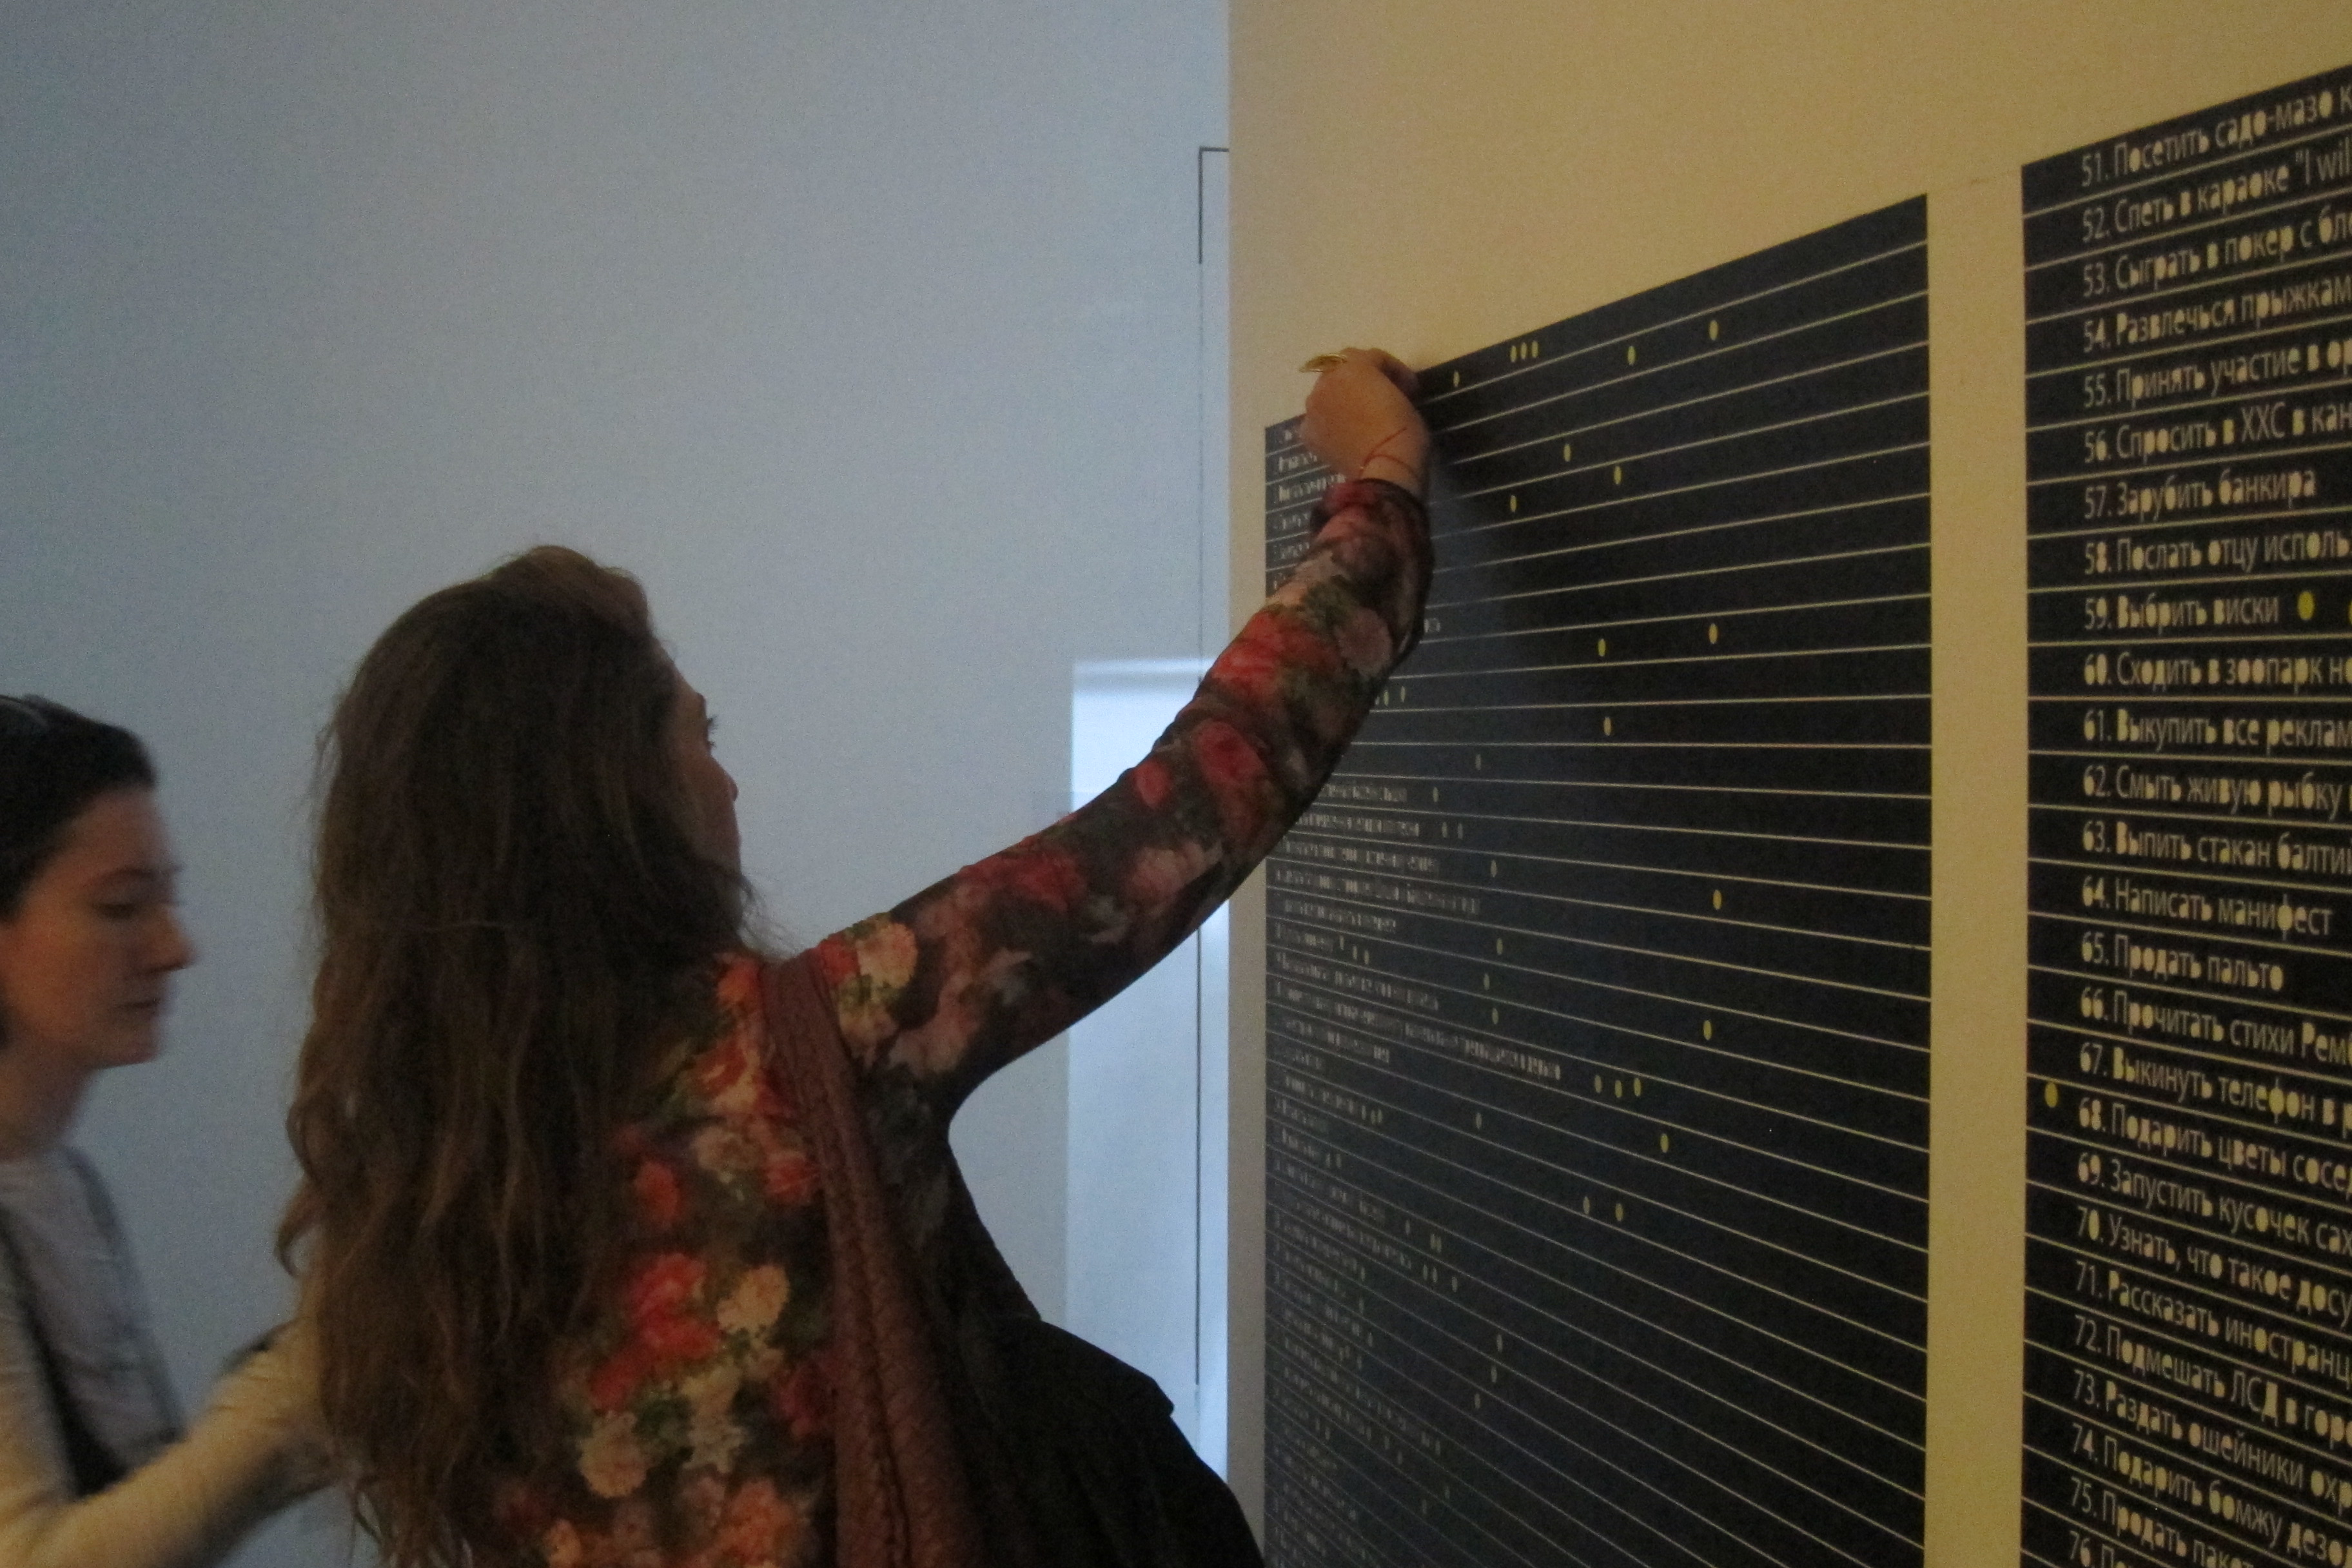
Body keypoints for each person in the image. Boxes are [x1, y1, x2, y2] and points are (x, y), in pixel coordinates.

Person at [282, 349, 1433, 1568]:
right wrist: (1383, 477)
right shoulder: (799, 1056)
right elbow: (1192, 804)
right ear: (620, 803)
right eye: (698, 737)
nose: (728, 782)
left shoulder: (414, 1188)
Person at [0, 696, 328, 1568]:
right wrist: (297, 1390)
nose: (174, 946)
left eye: (167, 901)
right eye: (121, 907)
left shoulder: (68, 1188)